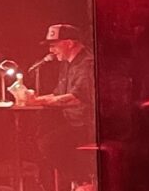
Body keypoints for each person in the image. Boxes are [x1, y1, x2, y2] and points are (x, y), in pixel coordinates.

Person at [31, 24, 95, 191]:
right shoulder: (67, 64)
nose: (51, 51)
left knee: (49, 144)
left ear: (69, 43)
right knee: (41, 136)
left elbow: (75, 98)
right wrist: (32, 100)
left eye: (54, 45)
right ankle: (78, 181)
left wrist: (37, 102)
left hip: (88, 127)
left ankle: (84, 182)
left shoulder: (87, 64)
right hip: (74, 123)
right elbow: (57, 94)